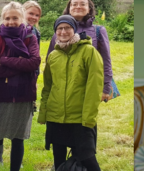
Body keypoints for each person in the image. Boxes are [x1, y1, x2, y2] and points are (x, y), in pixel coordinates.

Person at [0, 2, 42, 171]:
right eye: (7, 18)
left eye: (15, 18)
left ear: (22, 18)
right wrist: (20, 67)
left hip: (23, 96)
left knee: (18, 139)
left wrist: (6, 61)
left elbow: (34, 62)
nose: (11, 22)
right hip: (0, 96)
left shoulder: (30, 38)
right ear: (2, 20)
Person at [39, 15, 104, 171]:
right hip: (56, 116)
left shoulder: (89, 52)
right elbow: (48, 86)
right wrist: (44, 113)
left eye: (67, 27)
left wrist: (88, 117)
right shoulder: (53, 56)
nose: (63, 31)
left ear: (74, 29)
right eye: (59, 28)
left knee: (87, 158)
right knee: (59, 160)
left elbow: (94, 87)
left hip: (79, 116)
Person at [47, 0, 114, 103]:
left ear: (89, 9)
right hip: (62, 86)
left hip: (88, 85)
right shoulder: (60, 31)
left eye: (83, 4)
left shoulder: (98, 31)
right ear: (69, 8)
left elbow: (105, 60)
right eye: (74, 4)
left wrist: (105, 87)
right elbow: (50, 61)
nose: (78, 7)